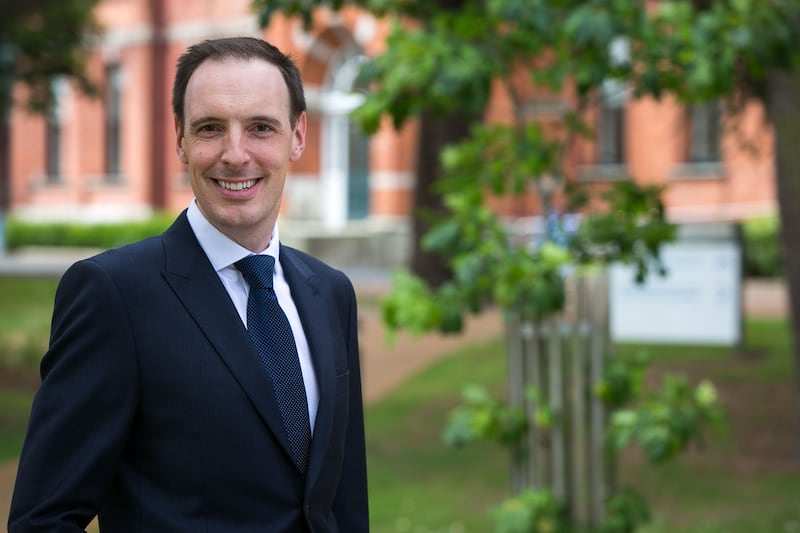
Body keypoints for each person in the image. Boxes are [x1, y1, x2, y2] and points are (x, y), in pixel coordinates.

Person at [8, 36, 369, 532]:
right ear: (180, 138)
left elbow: (343, 503)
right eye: (210, 128)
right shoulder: (113, 295)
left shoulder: (330, 293)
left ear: (298, 135)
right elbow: (43, 518)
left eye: (261, 127)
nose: (235, 154)